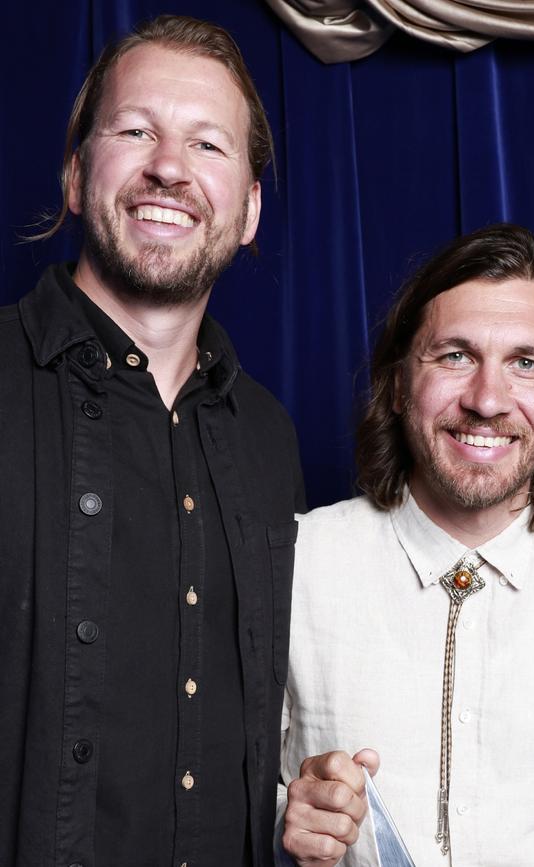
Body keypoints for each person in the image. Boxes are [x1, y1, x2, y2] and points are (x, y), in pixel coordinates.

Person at [0, 15, 304, 867]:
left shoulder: (270, 439)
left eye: (209, 145)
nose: (170, 167)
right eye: (136, 131)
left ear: (247, 211)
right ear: (73, 175)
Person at [278, 224, 534, 866]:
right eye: (454, 355)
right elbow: (200, 795)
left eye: (526, 363)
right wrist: (284, 817)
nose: (485, 399)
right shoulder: (292, 560)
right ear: (398, 384)